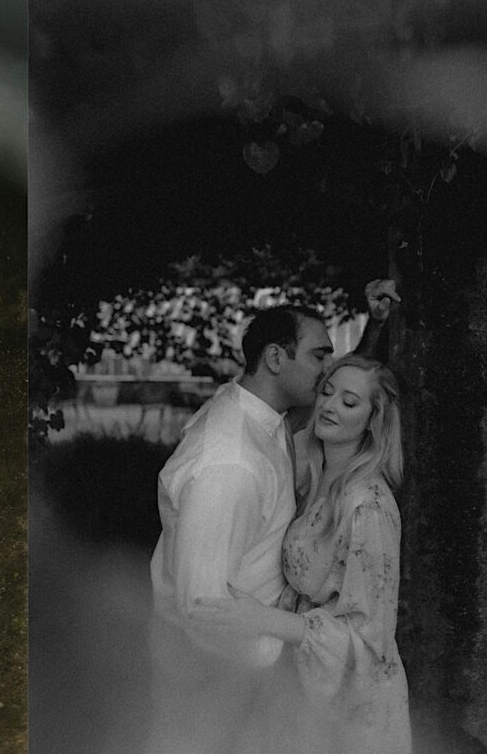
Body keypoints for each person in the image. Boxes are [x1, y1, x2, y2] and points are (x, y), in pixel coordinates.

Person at [146, 280, 398, 753]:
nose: (328, 375)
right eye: (320, 356)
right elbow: (201, 607)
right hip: (216, 673)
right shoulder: (231, 465)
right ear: (277, 359)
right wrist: (269, 659)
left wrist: (375, 329)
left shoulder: (261, 415)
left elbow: (346, 402)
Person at [194, 354, 410, 753]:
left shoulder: (367, 508)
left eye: (349, 402)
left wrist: (263, 620)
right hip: (298, 683)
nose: (329, 405)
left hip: (349, 704)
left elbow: (367, 640)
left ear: (373, 420)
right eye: (326, 392)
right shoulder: (312, 472)